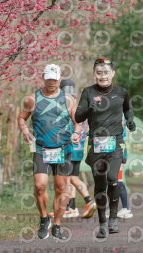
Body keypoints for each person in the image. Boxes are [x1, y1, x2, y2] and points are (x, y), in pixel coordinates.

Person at [18, 64, 82, 239]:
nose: (52, 82)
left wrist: (76, 133)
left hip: (63, 148)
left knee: (61, 188)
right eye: (49, 79)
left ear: (59, 79)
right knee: (40, 186)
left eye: (55, 79)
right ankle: (44, 218)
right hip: (41, 149)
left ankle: (57, 226)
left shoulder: (68, 100)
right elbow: (22, 118)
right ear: (43, 78)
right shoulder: (32, 99)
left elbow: (78, 121)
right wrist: (25, 131)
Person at [75, 58, 136, 239]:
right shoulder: (88, 92)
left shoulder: (121, 92)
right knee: (100, 184)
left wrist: (130, 120)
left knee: (113, 179)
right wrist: (89, 109)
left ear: (113, 73)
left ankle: (113, 220)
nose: (102, 76)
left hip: (115, 143)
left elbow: (128, 109)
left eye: (106, 72)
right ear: (94, 74)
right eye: (99, 73)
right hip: (96, 144)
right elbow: (78, 117)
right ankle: (102, 223)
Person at [60, 79, 97, 219]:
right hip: (79, 148)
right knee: (72, 178)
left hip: (69, 147)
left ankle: (87, 201)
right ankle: (73, 208)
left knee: (67, 179)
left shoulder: (67, 106)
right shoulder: (81, 106)